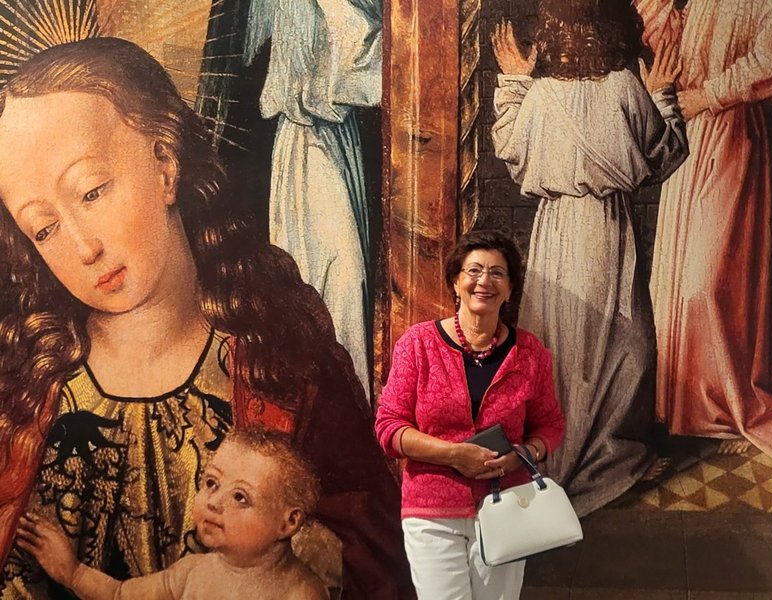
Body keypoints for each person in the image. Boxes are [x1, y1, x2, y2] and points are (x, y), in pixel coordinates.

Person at [0, 37, 412, 600]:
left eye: (92, 192)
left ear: (165, 164)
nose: (84, 247)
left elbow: (377, 556)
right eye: (44, 229)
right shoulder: (26, 397)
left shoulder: (284, 367)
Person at [490, 0, 688, 516]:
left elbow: (510, 148)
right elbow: (666, 153)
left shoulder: (545, 93)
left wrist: (514, 82)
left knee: (567, 341)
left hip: (557, 232)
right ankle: (603, 456)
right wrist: (662, 94)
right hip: (606, 228)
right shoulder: (624, 86)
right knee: (618, 341)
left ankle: (565, 456)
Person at [637, 0, 772, 458]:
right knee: (675, 281)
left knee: (707, 281)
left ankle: (723, 401)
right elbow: (670, 51)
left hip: (731, 133)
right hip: (686, 136)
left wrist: (705, 97)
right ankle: (680, 406)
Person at [374, 230, 566, 600]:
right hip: (432, 512)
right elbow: (389, 427)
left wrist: (524, 454)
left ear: (510, 289)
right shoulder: (418, 344)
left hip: (507, 508)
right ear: (455, 282)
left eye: (497, 273)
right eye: (474, 270)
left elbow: (550, 425)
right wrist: (453, 455)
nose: (484, 281)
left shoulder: (530, 353)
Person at [240, 0, 383, 395]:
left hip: (333, 137)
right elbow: (364, 59)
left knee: (342, 275)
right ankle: (333, 397)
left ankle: (347, 397)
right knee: (334, 270)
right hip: (306, 142)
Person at [16, 429, 328, 599]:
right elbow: (119, 595)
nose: (213, 502)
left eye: (240, 497)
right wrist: (74, 573)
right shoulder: (192, 572)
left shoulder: (302, 593)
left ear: (288, 522)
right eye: (211, 483)